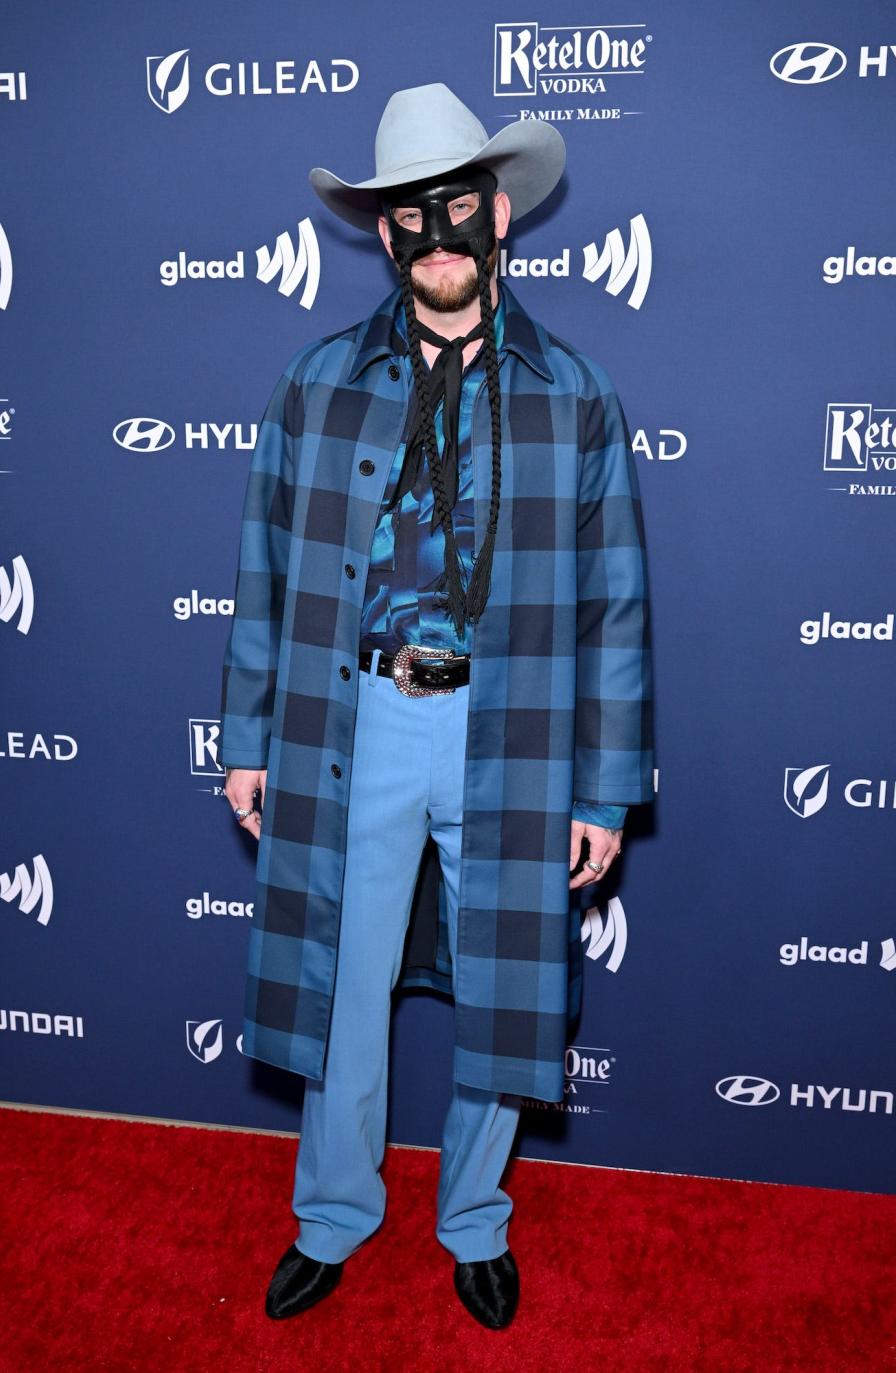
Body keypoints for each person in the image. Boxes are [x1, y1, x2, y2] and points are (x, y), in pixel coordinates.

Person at [218, 81, 655, 1329]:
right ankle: (334, 1214)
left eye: (459, 207)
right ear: (384, 231)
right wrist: (249, 741)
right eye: (412, 214)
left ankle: (474, 1219)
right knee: (341, 982)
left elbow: (613, 604)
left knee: (504, 989)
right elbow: (261, 571)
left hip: (509, 730)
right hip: (354, 723)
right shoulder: (317, 383)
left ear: (500, 216)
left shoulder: (575, 393)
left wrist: (604, 786)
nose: (439, 235)